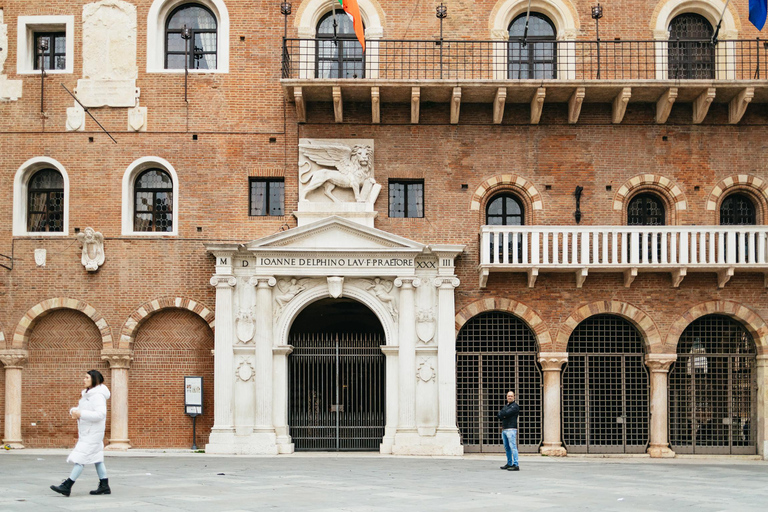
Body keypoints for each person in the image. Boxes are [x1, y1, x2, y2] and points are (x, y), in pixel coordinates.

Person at [50, 369, 112, 497]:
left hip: (93, 433)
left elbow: (101, 414)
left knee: (80, 458)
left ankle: (67, 485)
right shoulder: (88, 394)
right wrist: (74, 411)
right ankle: (104, 485)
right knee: (97, 458)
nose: (84, 380)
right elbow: (81, 409)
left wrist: (81, 414)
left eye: (87, 377)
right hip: (88, 432)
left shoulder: (97, 395)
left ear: (94, 379)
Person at [497, 390, 520, 471]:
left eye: (511, 396)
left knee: (513, 446)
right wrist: (503, 414)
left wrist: (503, 414)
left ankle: (516, 464)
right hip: (504, 429)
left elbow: (505, 413)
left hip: (511, 429)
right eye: (508, 396)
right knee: (507, 447)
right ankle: (509, 463)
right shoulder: (506, 406)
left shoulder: (515, 406)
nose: (509, 397)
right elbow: (499, 415)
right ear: (506, 397)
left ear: (514, 397)